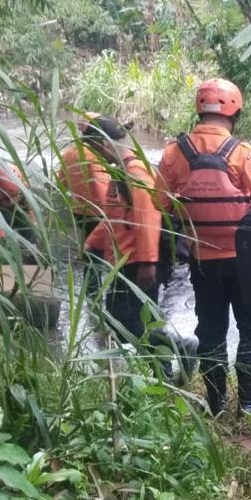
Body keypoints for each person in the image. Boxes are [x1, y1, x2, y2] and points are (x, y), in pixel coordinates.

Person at [157, 79, 251, 417]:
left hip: (202, 259)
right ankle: (250, 400)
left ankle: (216, 401)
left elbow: (158, 202)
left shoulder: (174, 153)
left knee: (211, 330)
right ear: (235, 111)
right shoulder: (242, 153)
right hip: (244, 259)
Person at [82, 119, 164, 348]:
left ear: (104, 144)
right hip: (123, 261)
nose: (97, 157)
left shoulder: (136, 172)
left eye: (95, 149)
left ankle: (176, 347)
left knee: (133, 322)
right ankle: (161, 359)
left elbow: (148, 217)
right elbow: (115, 216)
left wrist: (148, 262)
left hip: (137, 263)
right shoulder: (121, 172)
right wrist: (91, 243)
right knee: (124, 321)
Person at [56, 112, 111, 244]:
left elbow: (61, 184)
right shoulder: (93, 156)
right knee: (100, 246)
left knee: (88, 241)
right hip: (99, 212)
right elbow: (102, 191)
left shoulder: (69, 153)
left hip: (78, 211)